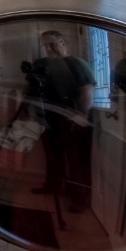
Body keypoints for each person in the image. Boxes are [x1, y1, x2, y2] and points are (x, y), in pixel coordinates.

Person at [25, 29, 95, 208]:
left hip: (71, 115)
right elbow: (33, 90)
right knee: (52, 154)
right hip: (47, 116)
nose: (49, 49)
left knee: (75, 159)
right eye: (45, 45)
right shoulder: (41, 63)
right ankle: (53, 185)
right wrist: (33, 113)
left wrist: (82, 114)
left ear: (63, 43)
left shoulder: (77, 63)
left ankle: (79, 198)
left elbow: (86, 90)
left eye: (53, 44)